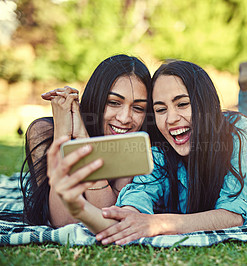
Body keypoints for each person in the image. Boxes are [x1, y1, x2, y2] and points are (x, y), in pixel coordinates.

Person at [46, 60, 247, 245]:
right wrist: (80, 208)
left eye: (182, 104)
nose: (171, 119)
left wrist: (160, 223)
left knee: (244, 127)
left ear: (203, 103)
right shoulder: (158, 154)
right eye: (161, 109)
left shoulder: (235, 133)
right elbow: (124, 221)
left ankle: (246, 96)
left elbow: (234, 215)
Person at [20, 54, 152, 227]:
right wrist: (63, 136)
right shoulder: (44, 132)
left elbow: (107, 215)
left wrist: (83, 139)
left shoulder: (135, 144)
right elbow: (63, 222)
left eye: (138, 108)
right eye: (113, 102)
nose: (125, 118)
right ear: (96, 98)